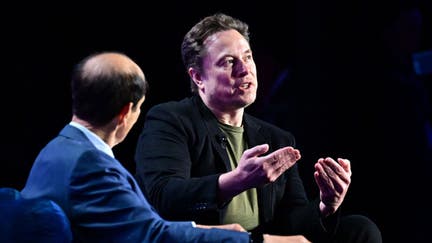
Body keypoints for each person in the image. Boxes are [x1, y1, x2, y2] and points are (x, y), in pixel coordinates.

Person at [134, 13, 382, 243]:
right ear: (198, 77)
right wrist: (236, 181)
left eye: (248, 57)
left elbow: (291, 222)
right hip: (211, 239)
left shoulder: (276, 138)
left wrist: (325, 204)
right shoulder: (171, 119)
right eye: (229, 62)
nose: (245, 69)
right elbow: (164, 196)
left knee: (360, 229)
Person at [20, 51, 252, 242]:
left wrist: (203, 229)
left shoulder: (55, 148)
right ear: (125, 113)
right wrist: (234, 239)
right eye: (139, 107)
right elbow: (150, 237)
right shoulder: (91, 166)